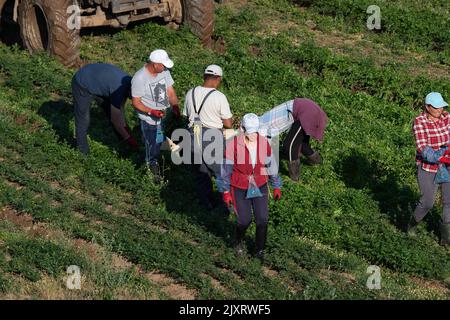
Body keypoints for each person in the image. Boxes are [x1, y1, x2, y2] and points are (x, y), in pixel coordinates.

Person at [218, 113, 282, 262]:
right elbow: (225, 171)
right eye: (249, 131)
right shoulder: (233, 145)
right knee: (244, 220)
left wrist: (276, 185)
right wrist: (225, 191)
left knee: (262, 220)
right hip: (239, 185)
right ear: (242, 129)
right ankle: (238, 241)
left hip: (259, 183)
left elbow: (271, 164)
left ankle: (259, 250)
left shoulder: (263, 143)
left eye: (254, 132)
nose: (252, 135)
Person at [183, 64, 233, 209]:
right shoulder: (219, 96)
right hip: (212, 136)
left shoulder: (190, 93)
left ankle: (206, 204)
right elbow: (228, 124)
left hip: (193, 135)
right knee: (221, 171)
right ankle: (227, 205)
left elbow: (186, 117)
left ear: (205, 76)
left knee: (201, 172)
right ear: (217, 78)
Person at [131, 49, 180, 183]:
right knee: (151, 143)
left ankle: (156, 158)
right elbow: (136, 102)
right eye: (163, 65)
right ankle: (151, 168)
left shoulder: (164, 72)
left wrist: (175, 107)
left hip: (162, 115)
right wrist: (151, 111)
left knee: (158, 139)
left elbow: (170, 91)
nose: (165, 67)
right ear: (154, 64)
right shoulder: (139, 78)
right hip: (149, 119)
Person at [409, 92, 450, 246]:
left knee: (448, 201)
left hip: (447, 166)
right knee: (427, 202)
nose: (440, 110)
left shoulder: (447, 118)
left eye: (442, 106)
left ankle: (446, 239)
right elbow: (422, 147)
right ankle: (412, 225)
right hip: (429, 166)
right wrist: (440, 155)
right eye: (436, 107)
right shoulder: (419, 122)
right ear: (427, 107)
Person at [72, 63, 139, 155]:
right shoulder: (118, 91)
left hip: (97, 81)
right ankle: (82, 153)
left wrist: (126, 130)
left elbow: (120, 109)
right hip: (82, 83)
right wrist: (129, 138)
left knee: (111, 112)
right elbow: (116, 120)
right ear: (131, 91)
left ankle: (124, 146)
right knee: (83, 119)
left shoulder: (130, 84)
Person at [258, 98, 328, 182]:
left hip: (307, 112)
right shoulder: (258, 122)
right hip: (306, 107)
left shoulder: (259, 128)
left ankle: (295, 177)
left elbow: (266, 146)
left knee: (290, 144)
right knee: (301, 143)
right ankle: (317, 161)